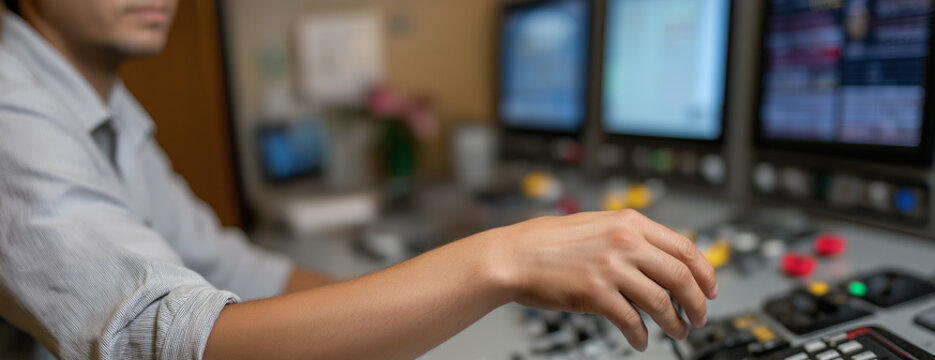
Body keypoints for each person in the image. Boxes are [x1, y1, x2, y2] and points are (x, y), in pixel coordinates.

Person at [0, 0, 718, 359]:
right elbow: (165, 340)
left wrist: (408, 307)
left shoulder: (108, 107)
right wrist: (500, 260)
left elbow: (229, 264)